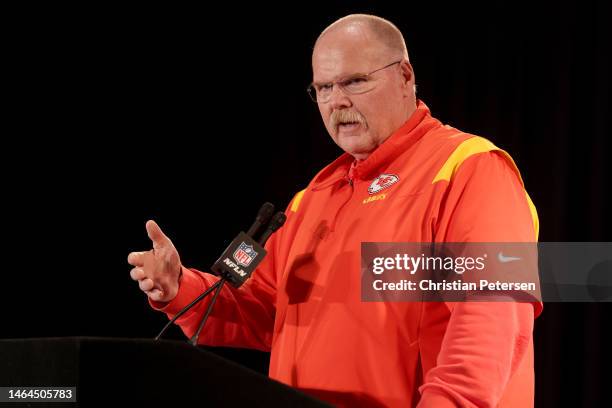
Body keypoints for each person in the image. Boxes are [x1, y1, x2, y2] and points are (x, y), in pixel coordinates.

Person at [128, 14, 541, 407]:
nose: (336, 101)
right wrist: (179, 288)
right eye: (323, 88)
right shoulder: (313, 196)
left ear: (406, 76)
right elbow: (263, 309)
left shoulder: (470, 168)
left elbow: (490, 320)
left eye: (355, 81)